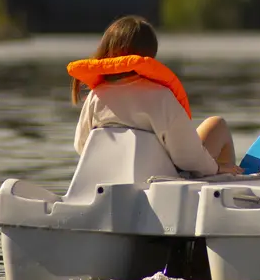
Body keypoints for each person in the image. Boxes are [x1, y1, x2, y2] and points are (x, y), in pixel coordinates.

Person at [67, 15, 239, 177]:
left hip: (107, 182)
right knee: (217, 125)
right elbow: (188, 158)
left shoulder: (95, 97)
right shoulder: (161, 97)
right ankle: (226, 189)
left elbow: (82, 147)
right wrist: (217, 168)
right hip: (160, 183)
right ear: (150, 56)